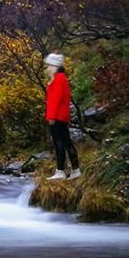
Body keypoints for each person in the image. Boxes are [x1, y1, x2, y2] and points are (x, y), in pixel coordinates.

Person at [44, 53, 81, 181]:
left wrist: (51, 116)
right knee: (66, 142)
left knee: (59, 142)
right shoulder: (60, 78)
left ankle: (60, 171)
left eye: (49, 65)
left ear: (54, 66)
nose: (47, 68)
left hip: (57, 116)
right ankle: (75, 169)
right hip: (61, 115)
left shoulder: (58, 79)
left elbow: (56, 99)